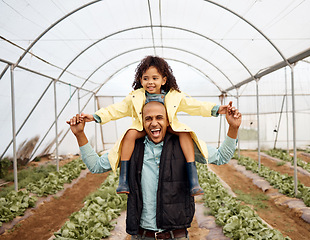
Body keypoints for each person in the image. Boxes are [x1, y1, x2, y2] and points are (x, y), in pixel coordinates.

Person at [67, 100, 242, 239]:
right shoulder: (130, 148)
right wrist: (80, 134)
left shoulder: (185, 145)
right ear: (142, 122)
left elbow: (221, 157)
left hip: (176, 235)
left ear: (168, 121)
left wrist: (233, 127)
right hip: (142, 235)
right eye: (148, 119)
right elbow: (96, 166)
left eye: (159, 117)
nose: (154, 123)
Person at [80, 56, 231, 196]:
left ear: (164, 80)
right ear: (140, 80)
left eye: (155, 78)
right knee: (129, 134)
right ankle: (124, 179)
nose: (150, 82)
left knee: (185, 133)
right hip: (142, 128)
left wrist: (216, 109)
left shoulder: (173, 95)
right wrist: (95, 117)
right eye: (146, 78)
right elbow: (116, 109)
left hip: (169, 126)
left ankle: (193, 179)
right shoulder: (136, 96)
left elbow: (195, 106)